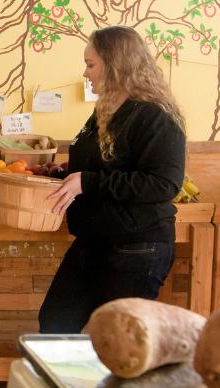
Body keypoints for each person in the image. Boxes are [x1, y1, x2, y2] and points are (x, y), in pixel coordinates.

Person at [40, 26, 187, 334]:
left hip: (136, 247)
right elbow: (103, 166)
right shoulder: (106, 111)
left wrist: (88, 182)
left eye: (91, 64)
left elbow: (163, 184)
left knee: (120, 338)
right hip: (95, 240)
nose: (85, 72)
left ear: (115, 64)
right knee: (55, 322)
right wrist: (65, 174)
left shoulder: (156, 117)